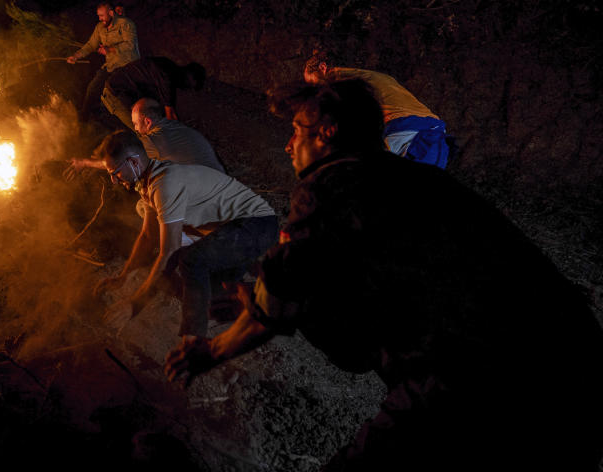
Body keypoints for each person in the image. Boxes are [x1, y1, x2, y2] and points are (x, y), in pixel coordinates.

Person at [165, 80, 603, 471]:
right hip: (578, 366)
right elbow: (349, 331)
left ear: (327, 133)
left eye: (296, 129)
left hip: (482, 378)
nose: (288, 144)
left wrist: (211, 350)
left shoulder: (330, 187)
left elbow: (276, 303)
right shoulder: (420, 182)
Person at [96, 130, 277, 338]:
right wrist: (123, 277)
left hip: (256, 226)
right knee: (199, 294)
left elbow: (169, 250)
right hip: (230, 233)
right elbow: (147, 236)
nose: (113, 180)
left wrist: (134, 304)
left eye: (115, 172)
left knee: (190, 261)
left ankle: (193, 340)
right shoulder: (149, 182)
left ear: (133, 162)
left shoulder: (165, 184)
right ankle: (258, 293)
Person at [303, 50, 449, 168]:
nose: (314, 88)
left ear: (322, 67)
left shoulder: (337, 79)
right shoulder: (377, 78)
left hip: (407, 134)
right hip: (434, 134)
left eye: (312, 81)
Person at [67, 2, 140, 121]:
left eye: (102, 16)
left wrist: (109, 49)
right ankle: (84, 117)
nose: (100, 19)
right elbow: (91, 45)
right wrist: (76, 56)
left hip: (128, 66)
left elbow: (130, 45)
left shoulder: (126, 24)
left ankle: (133, 122)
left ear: (111, 13)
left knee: (117, 95)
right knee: (93, 87)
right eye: (98, 16)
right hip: (110, 66)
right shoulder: (100, 27)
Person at [101, 56, 206, 125]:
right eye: (188, 87)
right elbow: (170, 116)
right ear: (187, 79)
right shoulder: (167, 79)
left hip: (127, 93)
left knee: (152, 125)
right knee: (144, 131)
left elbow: (167, 110)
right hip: (115, 93)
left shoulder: (169, 68)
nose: (186, 90)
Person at [131, 97, 224, 173]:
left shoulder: (157, 139)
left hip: (213, 187)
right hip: (219, 178)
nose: (135, 129)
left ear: (148, 122)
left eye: (136, 124)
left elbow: (129, 153)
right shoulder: (171, 126)